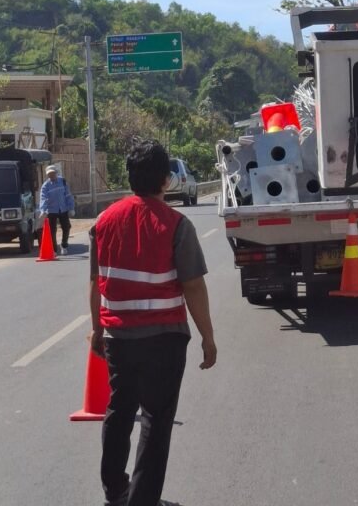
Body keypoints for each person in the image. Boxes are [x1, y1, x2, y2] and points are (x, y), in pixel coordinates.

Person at [89, 140, 217, 506]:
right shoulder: (177, 224)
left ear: (129, 178)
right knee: (156, 422)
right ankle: (143, 500)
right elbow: (193, 285)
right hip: (164, 338)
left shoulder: (103, 222)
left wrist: (98, 330)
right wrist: (208, 337)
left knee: (119, 411)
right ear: (166, 180)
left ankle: (116, 491)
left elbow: (96, 283)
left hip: (118, 337)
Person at [39, 164, 75, 255]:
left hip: (63, 209)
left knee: (67, 227)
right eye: (49, 174)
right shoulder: (45, 186)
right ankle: (54, 250)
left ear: (56, 173)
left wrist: (71, 208)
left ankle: (64, 245)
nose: (51, 175)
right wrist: (43, 210)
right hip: (51, 211)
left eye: (52, 173)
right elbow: (43, 198)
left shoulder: (62, 182)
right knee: (52, 231)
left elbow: (68, 195)